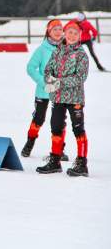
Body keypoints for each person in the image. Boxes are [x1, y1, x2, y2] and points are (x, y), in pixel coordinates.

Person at [36, 21, 89, 177]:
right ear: (65, 33)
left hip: (75, 98)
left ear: (79, 36)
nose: (72, 35)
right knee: (56, 126)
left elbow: (80, 77)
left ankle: (82, 163)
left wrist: (60, 82)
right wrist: (49, 81)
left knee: (78, 128)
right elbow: (48, 69)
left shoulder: (81, 55)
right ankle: (55, 160)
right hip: (58, 97)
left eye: (75, 33)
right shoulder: (58, 51)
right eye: (69, 32)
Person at [21, 19, 68, 161]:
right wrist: (44, 82)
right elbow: (30, 68)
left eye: (60, 29)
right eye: (55, 29)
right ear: (49, 31)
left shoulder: (67, 48)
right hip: (43, 91)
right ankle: (29, 144)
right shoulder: (42, 49)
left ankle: (59, 149)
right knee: (38, 119)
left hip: (60, 92)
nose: (58, 32)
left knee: (60, 121)